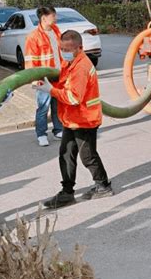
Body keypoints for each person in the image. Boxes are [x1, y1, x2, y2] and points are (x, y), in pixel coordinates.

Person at [36, 30, 112, 209]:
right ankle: (67, 192)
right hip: (73, 119)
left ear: (80, 48)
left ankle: (103, 186)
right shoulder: (70, 62)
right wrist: (51, 84)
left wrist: (50, 91)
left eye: (68, 49)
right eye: (62, 48)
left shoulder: (81, 67)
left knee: (88, 156)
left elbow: (73, 97)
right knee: (66, 154)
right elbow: (64, 84)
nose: (64, 52)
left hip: (84, 119)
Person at [25, 6, 63, 146]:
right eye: (53, 16)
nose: (56, 18)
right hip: (43, 77)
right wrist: (34, 80)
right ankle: (41, 134)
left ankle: (58, 129)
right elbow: (30, 60)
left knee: (57, 105)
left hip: (58, 75)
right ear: (44, 18)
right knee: (43, 107)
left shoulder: (56, 31)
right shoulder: (33, 37)